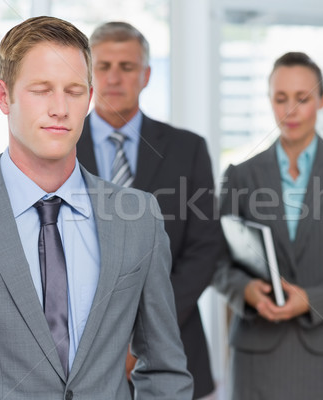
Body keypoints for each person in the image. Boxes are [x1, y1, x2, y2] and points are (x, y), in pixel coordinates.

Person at [0, 16, 192, 400]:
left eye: (73, 91)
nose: (60, 108)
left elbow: (164, 369)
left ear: (89, 99)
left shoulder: (139, 216)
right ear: (4, 96)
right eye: (42, 89)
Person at [213, 51, 323, 399]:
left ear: (322, 100)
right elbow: (217, 262)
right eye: (280, 98)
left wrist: (311, 300)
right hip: (258, 353)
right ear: (269, 100)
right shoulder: (240, 175)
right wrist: (245, 290)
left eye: (302, 98)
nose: (290, 110)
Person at [76, 21, 222, 399]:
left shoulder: (187, 149)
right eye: (103, 66)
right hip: (77, 355)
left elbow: (204, 249)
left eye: (126, 67)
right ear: (89, 75)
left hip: (173, 347)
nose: (114, 78)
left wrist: (146, 333)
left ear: (146, 75)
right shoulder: (60, 148)